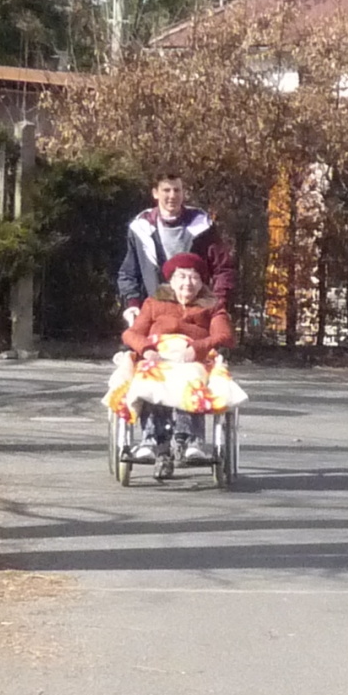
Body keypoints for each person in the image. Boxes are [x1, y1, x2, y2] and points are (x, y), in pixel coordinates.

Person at [109, 256, 245, 480]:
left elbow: (224, 335)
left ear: (202, 282)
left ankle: (191, 440)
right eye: (181, 276)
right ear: (171, 281)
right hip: (158, 355)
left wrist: (196, 348)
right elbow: (131, 334)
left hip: (193, 358)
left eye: (194, 277)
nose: (187, 283)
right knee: (149, 378)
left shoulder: (212, 306)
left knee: (189, 377)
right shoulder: (154, 303)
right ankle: (152, 440)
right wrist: (146, 349)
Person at [117, 173, 236, 326]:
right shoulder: (140, 228)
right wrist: (133, 304)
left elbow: (224, 269)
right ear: (155, 193)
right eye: (166, 190)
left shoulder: (203, 226)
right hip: (155, 315)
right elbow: (128, 273)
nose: (172, 196)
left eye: (177, 190)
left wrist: (218, 304)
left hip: (196, 316)